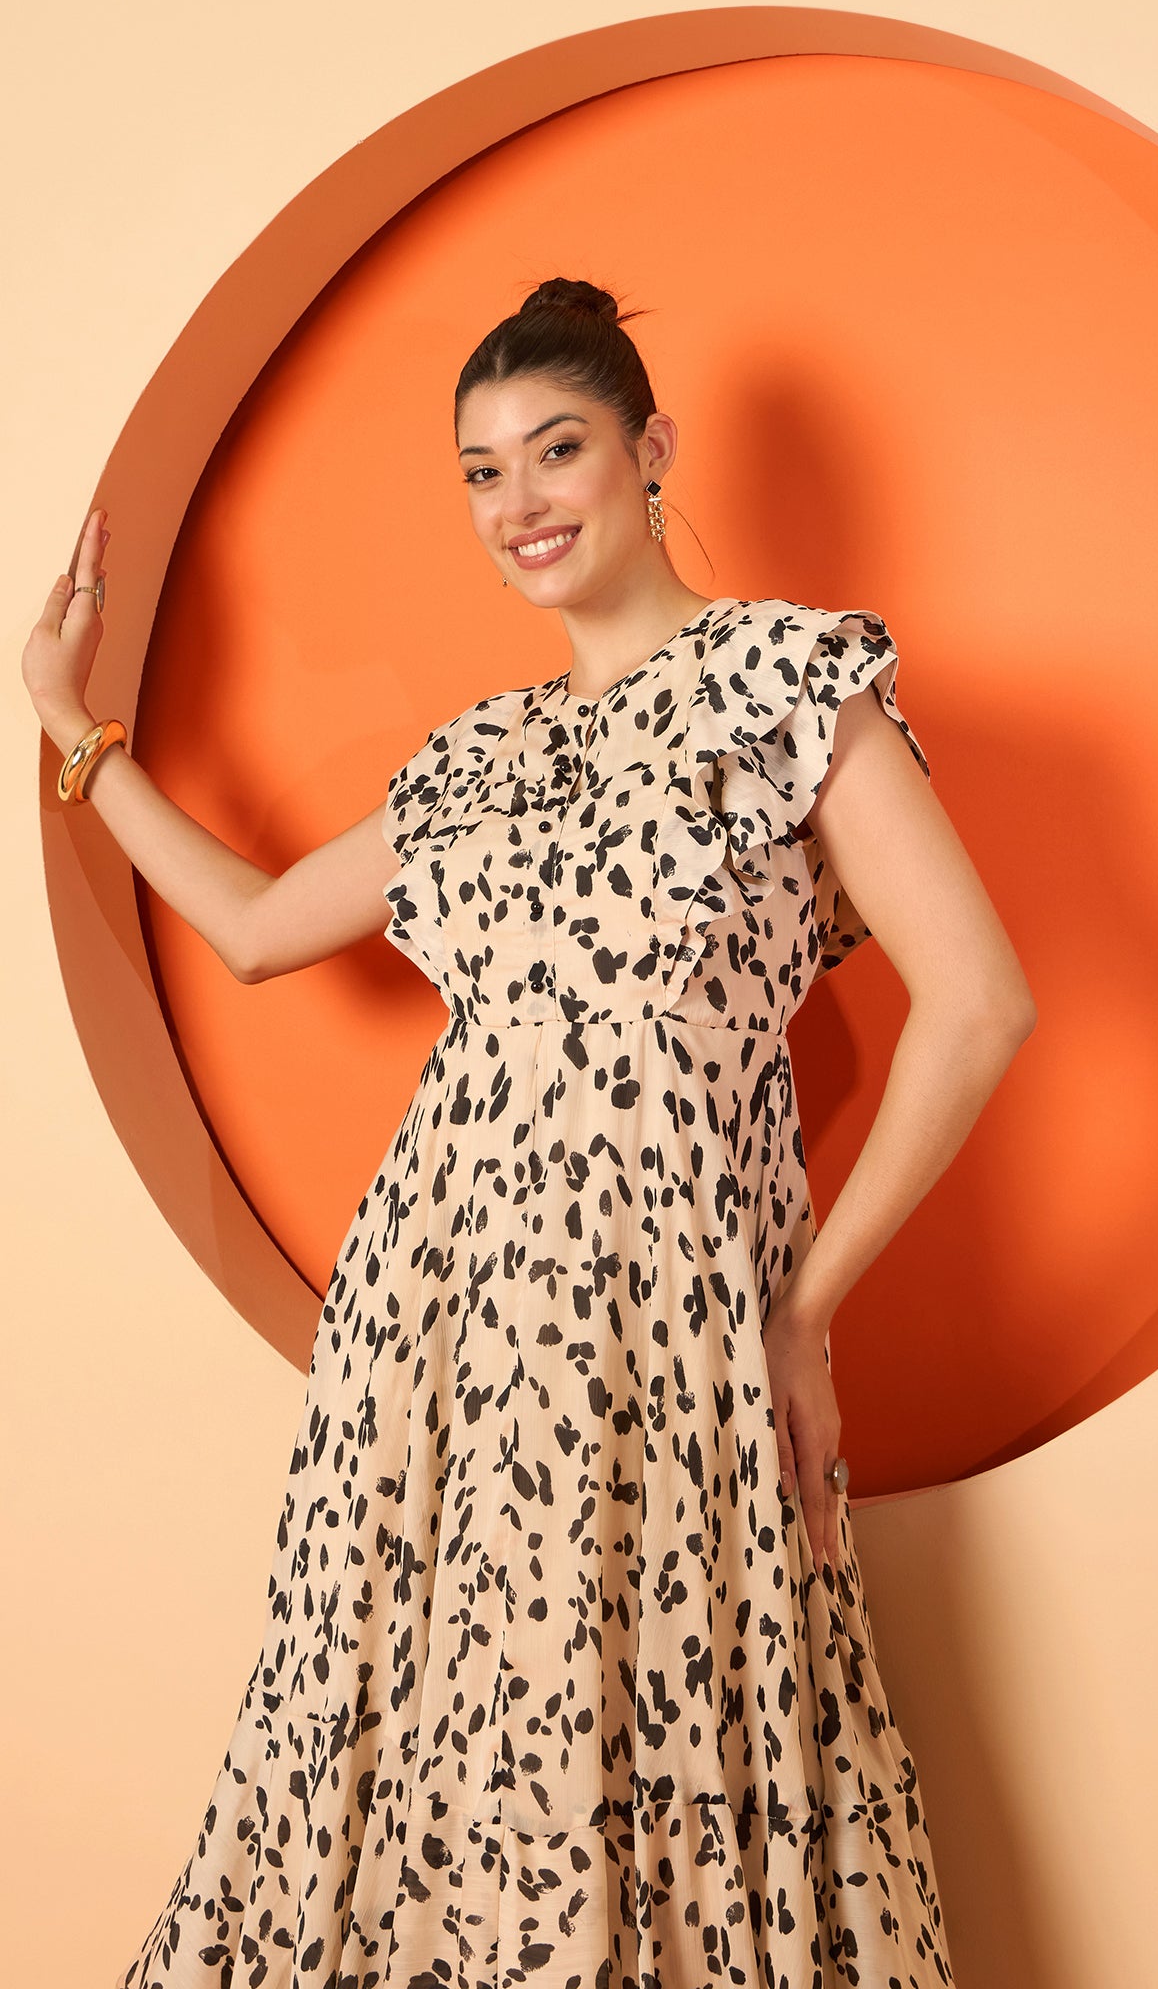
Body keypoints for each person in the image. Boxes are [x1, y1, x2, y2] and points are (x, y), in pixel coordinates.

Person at [25, 276, 1036, 1988]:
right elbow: (258, 930)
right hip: (433, 1332)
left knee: (671, 1738)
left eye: (557, 450)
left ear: (651, 450)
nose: (521, 504)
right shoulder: (474, 757)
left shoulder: (786, 677)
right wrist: (72, 731)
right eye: (482, 473)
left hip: (668, 1322)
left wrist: (803, 1315)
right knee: (429, 1743)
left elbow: (981, 1003)